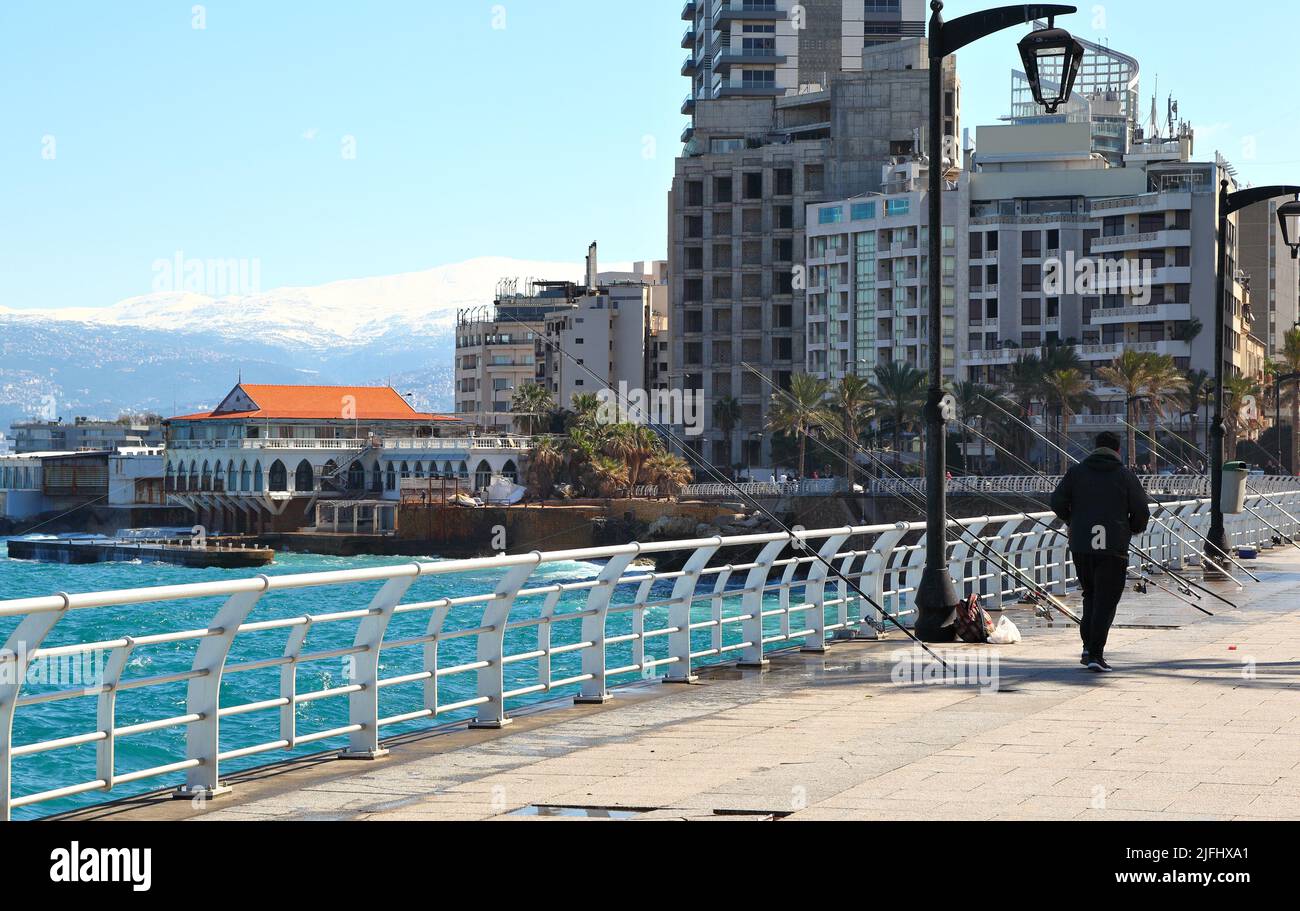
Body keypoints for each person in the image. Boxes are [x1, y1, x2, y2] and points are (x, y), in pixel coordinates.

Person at [1050, 431, 1151, 673]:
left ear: (1095, 447)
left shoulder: (1076, 472)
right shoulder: (1125, 476)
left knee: (1090, 595)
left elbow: (1056, 501)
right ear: (1118, 450)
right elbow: (1141, 512)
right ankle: (1096, 653)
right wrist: (1131, 529)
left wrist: (1072, 519)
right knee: (1107, 600)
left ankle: (1088, 647)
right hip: (1113, 548)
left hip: (1082, 544)